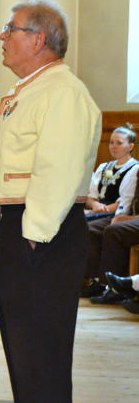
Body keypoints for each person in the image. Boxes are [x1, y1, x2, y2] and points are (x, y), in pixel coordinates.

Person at [0, 0, 100, 403]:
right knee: (23, 347)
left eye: (10, 28)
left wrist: (36, 232)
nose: (2, 36)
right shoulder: (31, 89)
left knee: (40, 350)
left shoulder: (63, 91)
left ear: (38, 39)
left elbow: (58, 166)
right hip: (20, 227)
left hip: (41, 232)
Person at [82, 125, 138, 302]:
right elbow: (91, 196)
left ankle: (105, 283)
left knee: (92, 229)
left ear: (131, 146)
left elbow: (125, 201)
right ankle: (90, 279)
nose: (113, 146)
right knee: (78, 225)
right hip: (98, 210)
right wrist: (94, 204)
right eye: (111, 142)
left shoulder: (134, 168)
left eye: (119, 143)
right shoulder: (104, 167)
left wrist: (104, 209)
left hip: (114, 213)